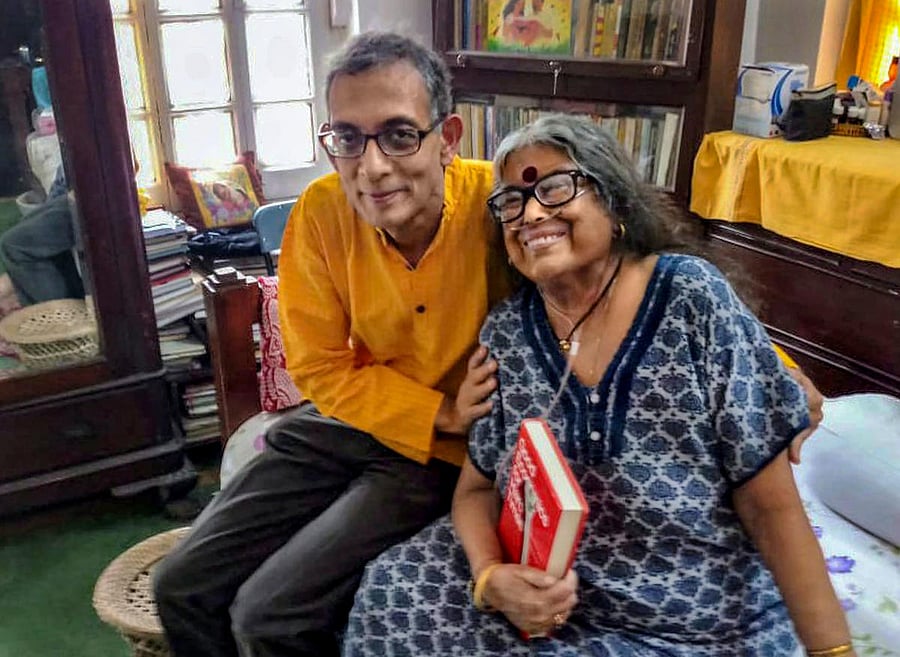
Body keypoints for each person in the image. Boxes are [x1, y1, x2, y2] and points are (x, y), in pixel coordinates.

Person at [340, 114, 853, 657]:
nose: (531, 213)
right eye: (511, 202)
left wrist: (831, 651)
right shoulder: (509, 333)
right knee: (389, 588)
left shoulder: (689, 297)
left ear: (613, 200)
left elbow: (771, 507)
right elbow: (476, 488)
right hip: (554, 599)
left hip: (692, 617)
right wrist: (491, 577)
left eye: (556, 187)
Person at [153, 32, 512, 657]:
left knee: (268, 615)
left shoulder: (499, 208)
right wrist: (435, 409)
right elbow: (318, 363)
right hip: (352, 419)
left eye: (400, 134)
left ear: (448, 139)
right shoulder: (321, 211)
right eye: (347, 138)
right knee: (179, 584)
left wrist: (449, 419)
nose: (371, 167)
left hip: (444, 455)